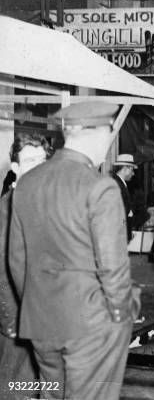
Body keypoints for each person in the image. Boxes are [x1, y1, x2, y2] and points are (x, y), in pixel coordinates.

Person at [8, 102, 141, 400]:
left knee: (54, 393)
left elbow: (17, 260)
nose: (108, 142)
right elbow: (113, 266)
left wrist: (35, 304)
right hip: (90, 324)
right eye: (108, 133)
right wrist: (120, 316)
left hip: (41, 322)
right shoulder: (99, 187)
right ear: (95, 135)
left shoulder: (28, 184)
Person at [0, 133, 51, 400]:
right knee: (16, 389)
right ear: (16, 168)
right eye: (31, 161)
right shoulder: (6, 211)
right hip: (19, 323)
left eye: (43, 161)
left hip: (47, 320)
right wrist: (12, 324)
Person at [111, 153, 139, 242]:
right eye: (132, 169)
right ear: (125, 168)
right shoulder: (117, 185)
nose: (133, 173)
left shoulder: (119, 183)